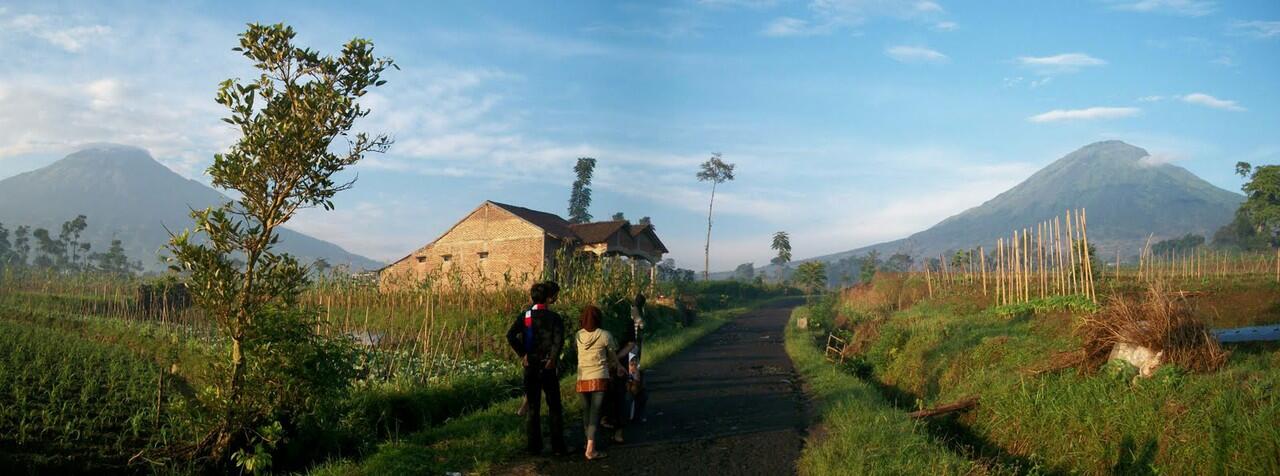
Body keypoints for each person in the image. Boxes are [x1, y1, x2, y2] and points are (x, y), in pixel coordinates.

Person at [505, 281, 568, 456]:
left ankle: (534, 446)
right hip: (548, 364)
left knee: (533, 407)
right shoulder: (554, 317)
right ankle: (558, 447)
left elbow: (510, 335)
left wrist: (523, 353)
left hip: (530, 364)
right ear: (549, 298)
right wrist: (553, 359)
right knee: (554, 406)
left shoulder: (525, 316)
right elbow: (558, 341)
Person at [575, 305, 620, 461]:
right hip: (599, 378)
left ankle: (588, 442)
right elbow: (613, 357)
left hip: (582, 379)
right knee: (595, 413)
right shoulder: (605, 335)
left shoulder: (578, 336)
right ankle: (590, 449)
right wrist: (619, 367)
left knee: (586, 412)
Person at [601, 293, 645, 442]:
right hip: (631, 353)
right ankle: (630, 417)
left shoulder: (608, 323)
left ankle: (612, 418)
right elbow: (639, 330)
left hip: (622, 356)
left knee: (615, 389)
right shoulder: (632, 314)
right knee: (632, 384)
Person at [624, 353, 648, 423]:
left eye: (635, 364)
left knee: (644, 395)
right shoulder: (624, 373)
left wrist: (636, 379)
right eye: (631, 364)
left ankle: (640, 415)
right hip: (627, 391)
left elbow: (641, 387)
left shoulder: (639, 372)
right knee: (628, 397)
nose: (634, 366)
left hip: (636, 391)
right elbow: (627, 388)